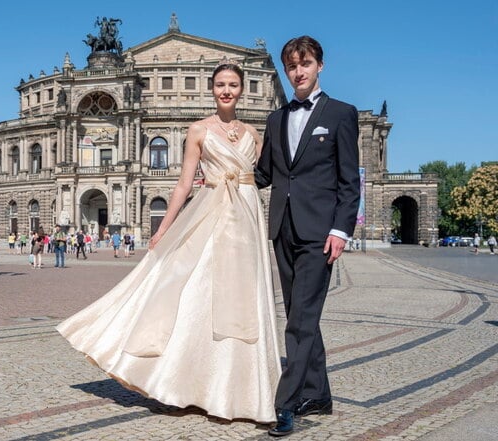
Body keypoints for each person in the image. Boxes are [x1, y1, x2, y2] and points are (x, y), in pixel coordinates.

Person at [57, 62, 280, 425]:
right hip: (211, 214)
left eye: (233, 85)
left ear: (243, 89)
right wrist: (163, 229)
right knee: (199, 294)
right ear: (212, 89)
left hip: (247, 219)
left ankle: (240, 392)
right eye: (220, 84)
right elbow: (182, 184)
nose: (227, 90)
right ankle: (189, 387)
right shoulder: (197, 130)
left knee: (242, 300)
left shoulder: (256, 133)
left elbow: (269, 176)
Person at [255, 36, 360, 437]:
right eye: (291, 66)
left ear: (320, 66)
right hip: (283, 228)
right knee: (304, 316)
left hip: (320, 233)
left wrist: (340, 230)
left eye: (306, 63)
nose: (298, 72)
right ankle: (319, 394)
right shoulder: (276, 118)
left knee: (299, 319)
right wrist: (221, 175)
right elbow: (265, 173)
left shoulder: (341, 114)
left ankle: (286, 403)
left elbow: (349, 181)